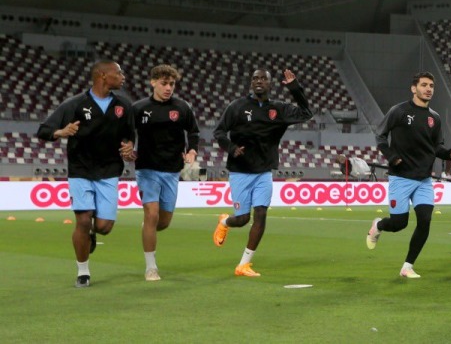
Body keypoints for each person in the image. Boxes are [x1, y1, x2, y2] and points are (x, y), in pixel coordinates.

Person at [37, 59, 136, 288]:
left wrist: (129, 145)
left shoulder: (124, 105)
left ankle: (93, 232)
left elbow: (129, 135)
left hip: (110, 170)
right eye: (118, 73)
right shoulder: (75, 104)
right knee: (82, 220)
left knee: (104, 227)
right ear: (102, 75)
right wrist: (62, 131)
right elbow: (44, 130)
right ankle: (83, 271)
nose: (122, 77)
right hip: (80, 170)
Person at [212, 68, 313, 277]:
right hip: (240, 171)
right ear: (251, 83)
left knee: (261, 215)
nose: (259, 81)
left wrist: (294, 88)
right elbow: (219, 131)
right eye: (255, 78)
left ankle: (244, 264)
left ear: (270, 84)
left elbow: (306, 113)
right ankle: (224, 221)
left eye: (263, 79)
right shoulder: (237, 107)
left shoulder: (278, 109)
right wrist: (231, 148)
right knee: (241, 220)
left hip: (264, 172)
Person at [365, 72, 451, 279]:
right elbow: (380, 135)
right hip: (401, 177)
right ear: (413, 88)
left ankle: (407, 266)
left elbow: (436, 147)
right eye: (424, 85)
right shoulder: (398, 111)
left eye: (431, 85)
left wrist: (447, 153)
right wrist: (391, 156)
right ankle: (379, 225)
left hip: (424, 180)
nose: (428, 89)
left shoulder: (435, 117)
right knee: (399, 224)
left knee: (425, 221)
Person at [131, 64, 200, 281]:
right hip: (147, 169)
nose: (168, 88)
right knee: (152, 213)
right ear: (153, 83)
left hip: (172, 171)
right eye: (164, 83)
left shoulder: (182, 107)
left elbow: (193, 131)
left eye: (171, 84)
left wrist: (191, 151)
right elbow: (125, 132)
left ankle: (147, 229)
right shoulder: (139, 108)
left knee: (163, 221)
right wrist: (127, 147)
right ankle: (151, 268)